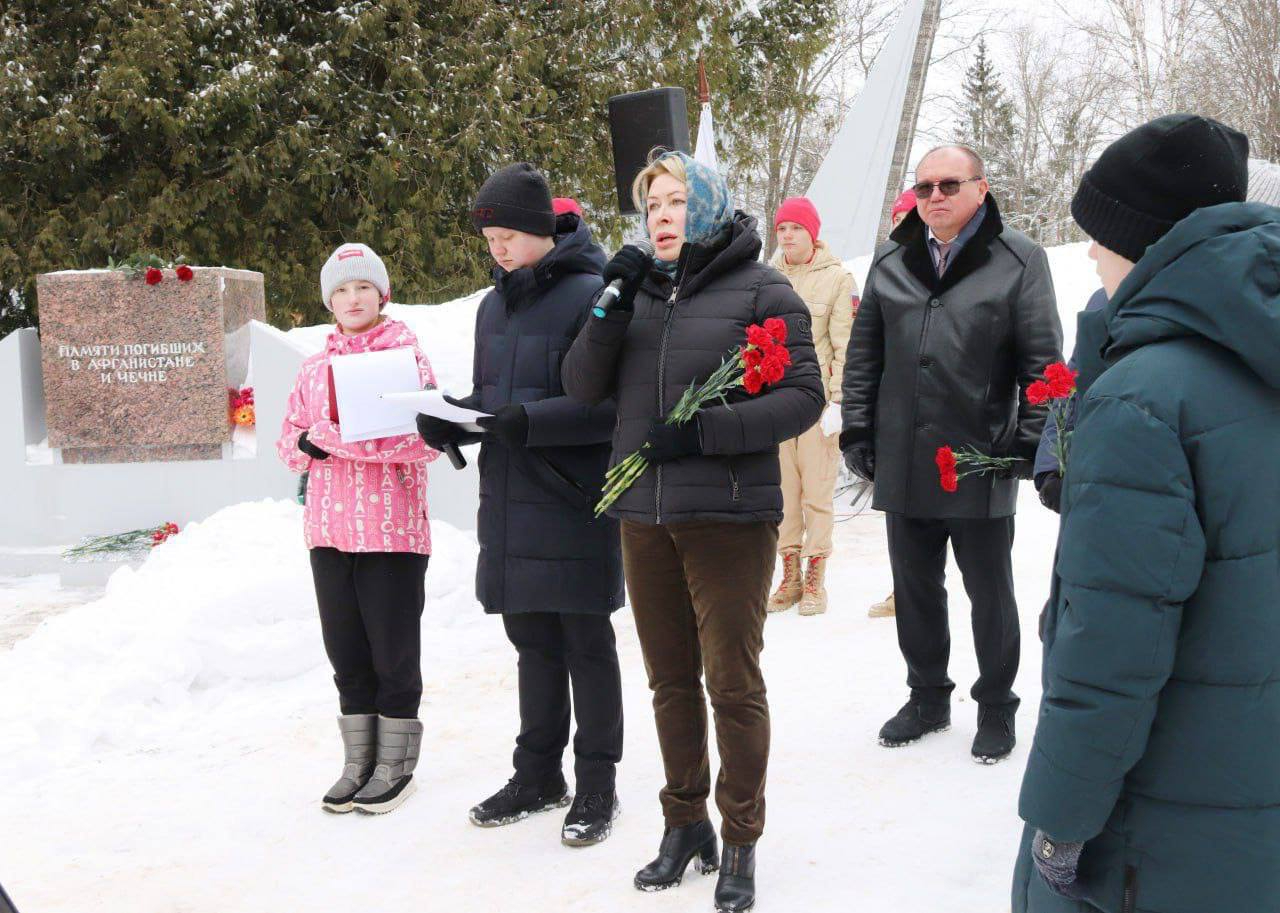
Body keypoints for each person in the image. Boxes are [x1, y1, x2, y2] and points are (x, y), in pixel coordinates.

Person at [1013, 114, 1280, 913]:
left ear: (1144, 239)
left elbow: (1112, 649)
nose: (1089, 250)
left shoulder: (1145, 395)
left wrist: (1059, 822)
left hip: (1163, 820)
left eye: (1099, 233)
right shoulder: (1253, 351)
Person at [562, 150, 824, 913]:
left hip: (731, 516)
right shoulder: (635, 291)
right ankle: (685, 824)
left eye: (676, 201)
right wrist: (608, 304)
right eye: (652, 206)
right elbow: (582, 386)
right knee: (669, 681)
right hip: (644, 515)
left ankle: (741, 836)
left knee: (731, 683)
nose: (662, 216)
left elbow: (805, 396)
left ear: (706, 204)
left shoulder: (763, 289)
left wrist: (709, 432)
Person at [415, 163, 625, 846]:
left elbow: (608, 408)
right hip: (511, 499)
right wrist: (450, 418)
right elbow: (495, 400)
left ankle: (596, 782)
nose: (497, 248)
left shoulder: (593, 294)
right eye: (490, 238)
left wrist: (526, 422)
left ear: (540, 230)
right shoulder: (492, 306)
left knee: (586, 645)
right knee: (531, 643)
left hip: (574, 499)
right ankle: (537, 773)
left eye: (508, 235)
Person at [840, 144, 1062, 763]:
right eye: (925, 186)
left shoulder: (1018, 259)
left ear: (981, 188)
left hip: (978, 455)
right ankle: (927, 696)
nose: (934, 196)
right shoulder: (890, 259)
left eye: (948, 184)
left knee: (988, 590)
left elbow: (1042, 364)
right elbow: (864, 357)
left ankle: (996, 703)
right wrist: (858, 431)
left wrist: (1025, 445)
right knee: (913, 586)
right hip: (904, 455)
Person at [276, 243, 440, 814]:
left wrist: (335, 440)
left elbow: (423, 441)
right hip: (328, 530)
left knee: (393, 652)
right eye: (341, 290)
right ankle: (358, 761)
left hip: (391, 534)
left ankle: (395, 763)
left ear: (381, 294)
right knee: (346, 650)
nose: (352, 299)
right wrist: (309, 440)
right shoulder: (312, 366)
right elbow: (288, 444)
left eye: (362, 288)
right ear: (329, 300)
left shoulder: (406, 357)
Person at [766, 196, 857, 616]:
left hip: (817, 404)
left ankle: (816, 575)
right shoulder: (767, 278)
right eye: (782, 228)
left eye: (795, 228)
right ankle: (790, 575)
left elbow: (845, 344)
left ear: (812, 233)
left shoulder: (838, 279)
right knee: (785, 494)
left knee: (817, 493)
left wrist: (838, 400)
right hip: (775, 402)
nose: (787, 236)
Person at [866, 188, 920, 621]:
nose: (900, 226)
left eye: (908, 217)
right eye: (895, 219)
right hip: (894, 416)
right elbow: (866, 345)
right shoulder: (883, 265)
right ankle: (900, 588)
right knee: (901, 522)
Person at [1033, 288, 1107, 513]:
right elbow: (1070, 387)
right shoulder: (1101, 300)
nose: (1094, 254)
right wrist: (1052, 466)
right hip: (1086, 484)